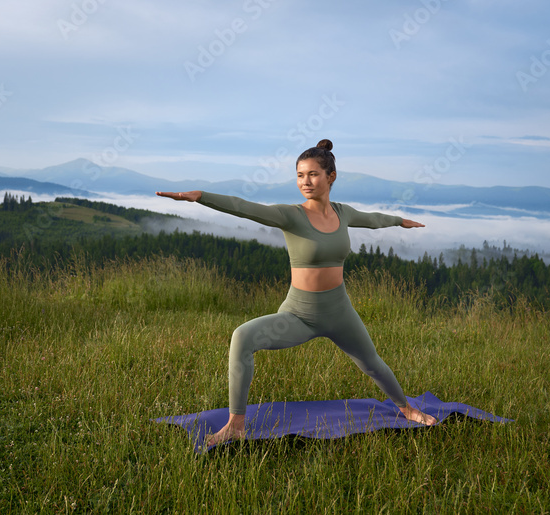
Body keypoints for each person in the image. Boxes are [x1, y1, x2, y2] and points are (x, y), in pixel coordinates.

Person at [157, 139, 438, 446]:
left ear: (330, 176)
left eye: (313, 174)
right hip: (299, 315)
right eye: (300, 175)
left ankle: (406, 409)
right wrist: (200, 197)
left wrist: (398, 221)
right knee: (242, 337)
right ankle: (236, 424)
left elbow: (371, 220)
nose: (306, 181)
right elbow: (245, 208)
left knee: (372, 363)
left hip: (339, 312)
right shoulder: (291, 215)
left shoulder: (343, 213)